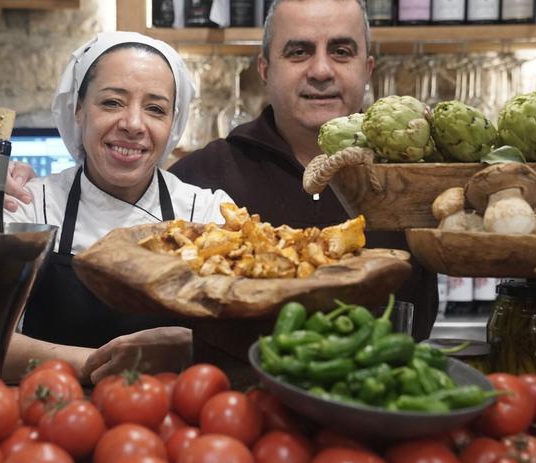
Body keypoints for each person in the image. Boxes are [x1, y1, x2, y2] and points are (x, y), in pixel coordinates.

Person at [169, 0, 439, 339]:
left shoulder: (418, 179)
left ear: (367, 68)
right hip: (239, 392)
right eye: (299, 52)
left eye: (341, 51)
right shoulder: (196, 179)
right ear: (265, 69)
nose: (321, 71)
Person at [2, 32, 233, 383]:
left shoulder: (209, 214)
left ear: (173, 124)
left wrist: (188, 345)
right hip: (54, 414)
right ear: (78, 110)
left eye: (155, 109)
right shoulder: (31, 208)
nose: (133, 124)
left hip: (179, 419)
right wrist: (111, 363)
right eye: (111, 102)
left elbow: (242, 341)